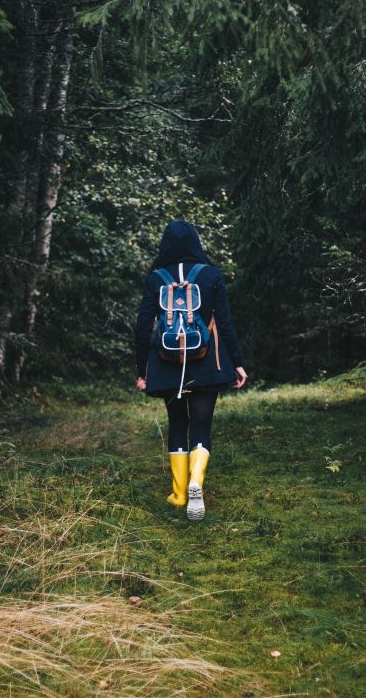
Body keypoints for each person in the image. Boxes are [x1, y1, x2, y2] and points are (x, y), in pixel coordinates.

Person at [134, 220, 248, 521]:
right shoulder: (211, 275)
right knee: (201, 425)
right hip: (206, 361)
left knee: (177, 423)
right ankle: (197, 482)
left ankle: (180, 492)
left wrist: (142, 369)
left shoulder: (156, 278)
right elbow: (224, 322)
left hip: (166, 362)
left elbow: (143, 326)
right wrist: (236, 361)